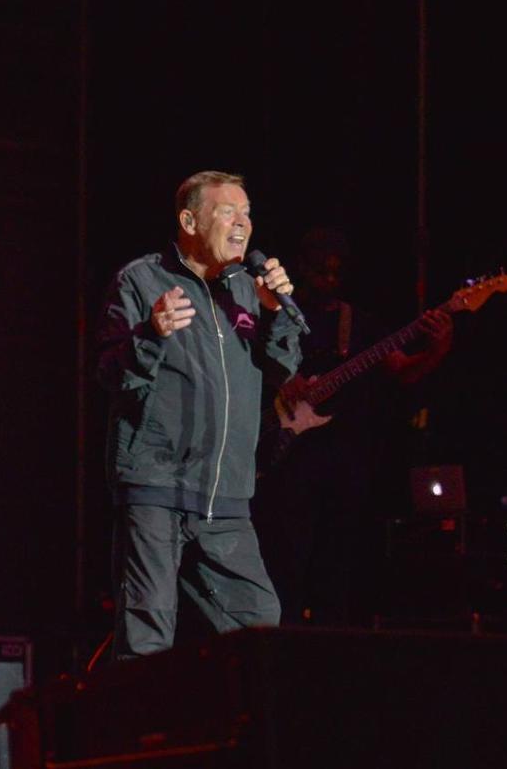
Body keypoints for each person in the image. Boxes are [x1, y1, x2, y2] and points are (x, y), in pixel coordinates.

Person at [97, 170, 302, 659]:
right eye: (227, 211)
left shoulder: (249, 289)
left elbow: (284, 368)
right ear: (189, 220)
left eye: (247, 212)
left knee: (259, 624)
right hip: (155, 486)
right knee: (148, 635)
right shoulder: (142, 280)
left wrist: (275, 311)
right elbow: (110, 373)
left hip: (225, 495)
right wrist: (150, 334)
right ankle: (134, 733)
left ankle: (240, 732)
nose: (242, 223)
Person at [253, 226, 453, 627]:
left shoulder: (358, 323)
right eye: (319, 271)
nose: (328, 280)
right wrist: (281, 376)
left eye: (335, 273)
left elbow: (404, 371)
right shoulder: (274, 316)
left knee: (338, 565)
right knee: (285, 563)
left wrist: (439, 346)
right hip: (289, 461)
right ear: (301, 269)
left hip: (345, 463)